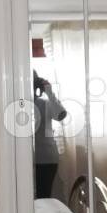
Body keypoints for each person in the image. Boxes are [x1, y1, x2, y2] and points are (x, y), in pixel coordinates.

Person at [33, 71, 67, 199]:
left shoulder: (45, 104)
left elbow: (61, 115)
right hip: (26, 158)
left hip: (45, 159)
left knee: (43, 198)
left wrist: (49, 92)